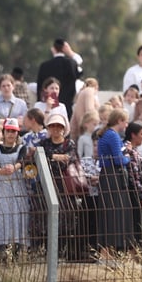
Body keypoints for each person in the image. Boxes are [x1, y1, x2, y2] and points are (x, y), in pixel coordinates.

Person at [40, 109, 86, 260]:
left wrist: (53, 158)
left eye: (59, 126)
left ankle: (65, 251)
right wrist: (55, 156)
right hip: (48, 185)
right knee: (48, 218)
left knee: (67, 219)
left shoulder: (69, 143)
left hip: (66, 186)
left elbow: (70, 158)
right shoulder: (44, 143)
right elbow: (40, 157)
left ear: (64, 128)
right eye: (52, 126)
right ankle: (49, 252)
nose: (56, 129)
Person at [0, 118, 29, 255]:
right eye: (8, 131)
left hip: (17, 186)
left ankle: (17, 247)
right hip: (1, 187)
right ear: (4, 132)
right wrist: (0, 171)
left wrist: (14, 168)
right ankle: (0, 248)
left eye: (13, 132)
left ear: (17, 133)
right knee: (0, 214)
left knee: (18, 213)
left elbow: (21, 161)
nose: (11, 134)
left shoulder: (22, 147)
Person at [96, 109, 134, 260]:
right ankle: (107, 251)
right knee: (114, 212)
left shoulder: (107, 135)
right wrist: (128, 157)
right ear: (119, 120)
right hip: (113, 177)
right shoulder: (113, 135)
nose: (126, 125)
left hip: (107, 176)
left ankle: (108, 251)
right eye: (125, 121)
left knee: (110, 212)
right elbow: (118, 160)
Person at [36, 37, 83, 114]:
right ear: (65, 49)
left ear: (53, 49)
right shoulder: (71, 64)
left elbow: (39, 86)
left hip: (47, 105)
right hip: (67, 104)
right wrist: (71, 53)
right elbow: (79, 71)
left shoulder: (45, 66)